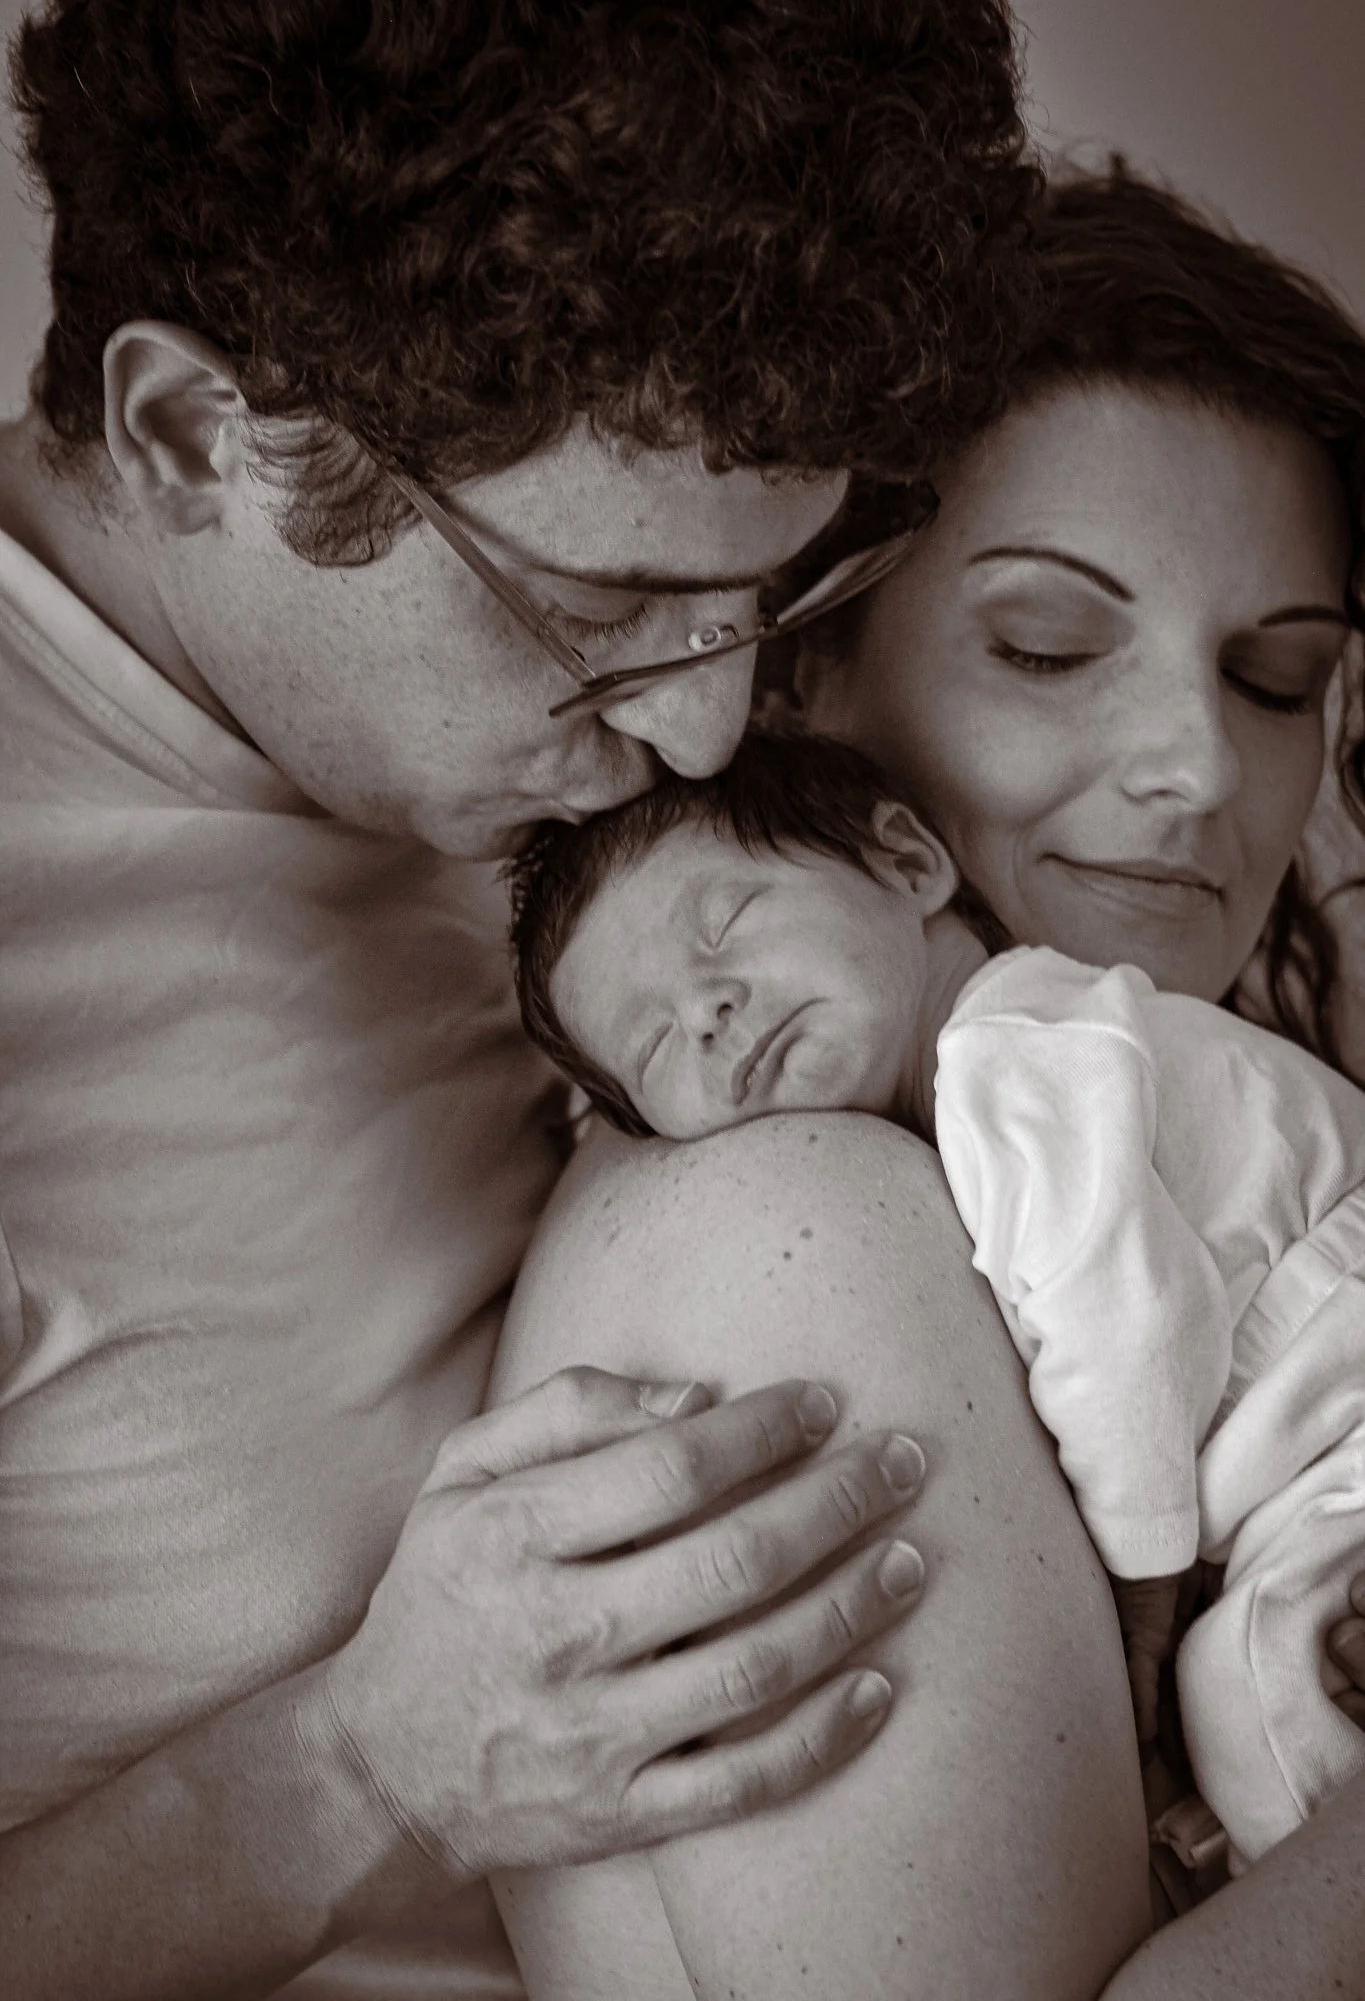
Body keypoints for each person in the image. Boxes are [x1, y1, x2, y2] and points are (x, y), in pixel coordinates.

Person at [0, 0, 1052, 1997]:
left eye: (771, 593)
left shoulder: (634, 728)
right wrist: (352, 1771)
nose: (703, 736)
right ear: (199, 428)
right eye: (604, 610)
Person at [483, 168, 1365, 2000]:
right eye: (1048, 648)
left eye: (1277, 679)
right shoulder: (788, 1206)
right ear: (799, 674)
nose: (1199, 767)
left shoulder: (1160, 1127)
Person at [506, 726, 1365, 1868]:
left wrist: (1140, 1590)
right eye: (653, 1038)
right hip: (1318, 1416)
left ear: (907, 864)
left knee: (1243, 1679)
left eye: (724, 926)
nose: (706, 1009)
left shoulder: (1011, 1051)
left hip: (1339, 1385)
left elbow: (1131, 1323)